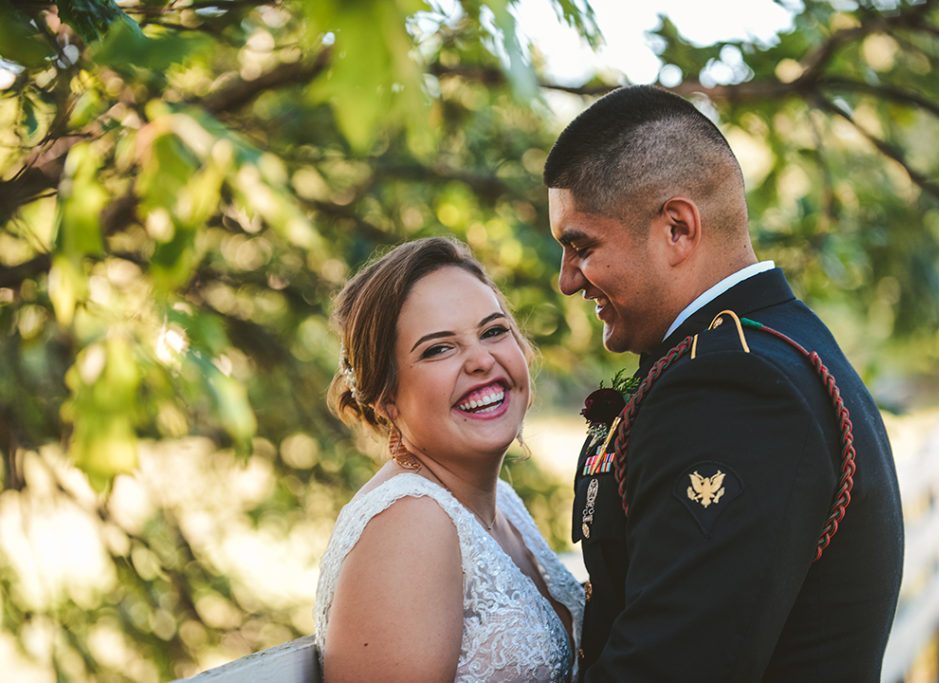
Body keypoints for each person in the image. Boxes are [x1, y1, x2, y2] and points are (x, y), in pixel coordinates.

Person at [544, 85, 904, 681]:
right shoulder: (779, 340)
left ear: (678, 229)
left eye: (581, 246)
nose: (566, 280)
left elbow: (669, 666)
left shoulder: (732, 385)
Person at [313, 237, 584, 682]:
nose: (481, 360)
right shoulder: (408, 524)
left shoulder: (504, 506)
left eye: (494, 331)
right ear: (386, 398)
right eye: (438, 348)